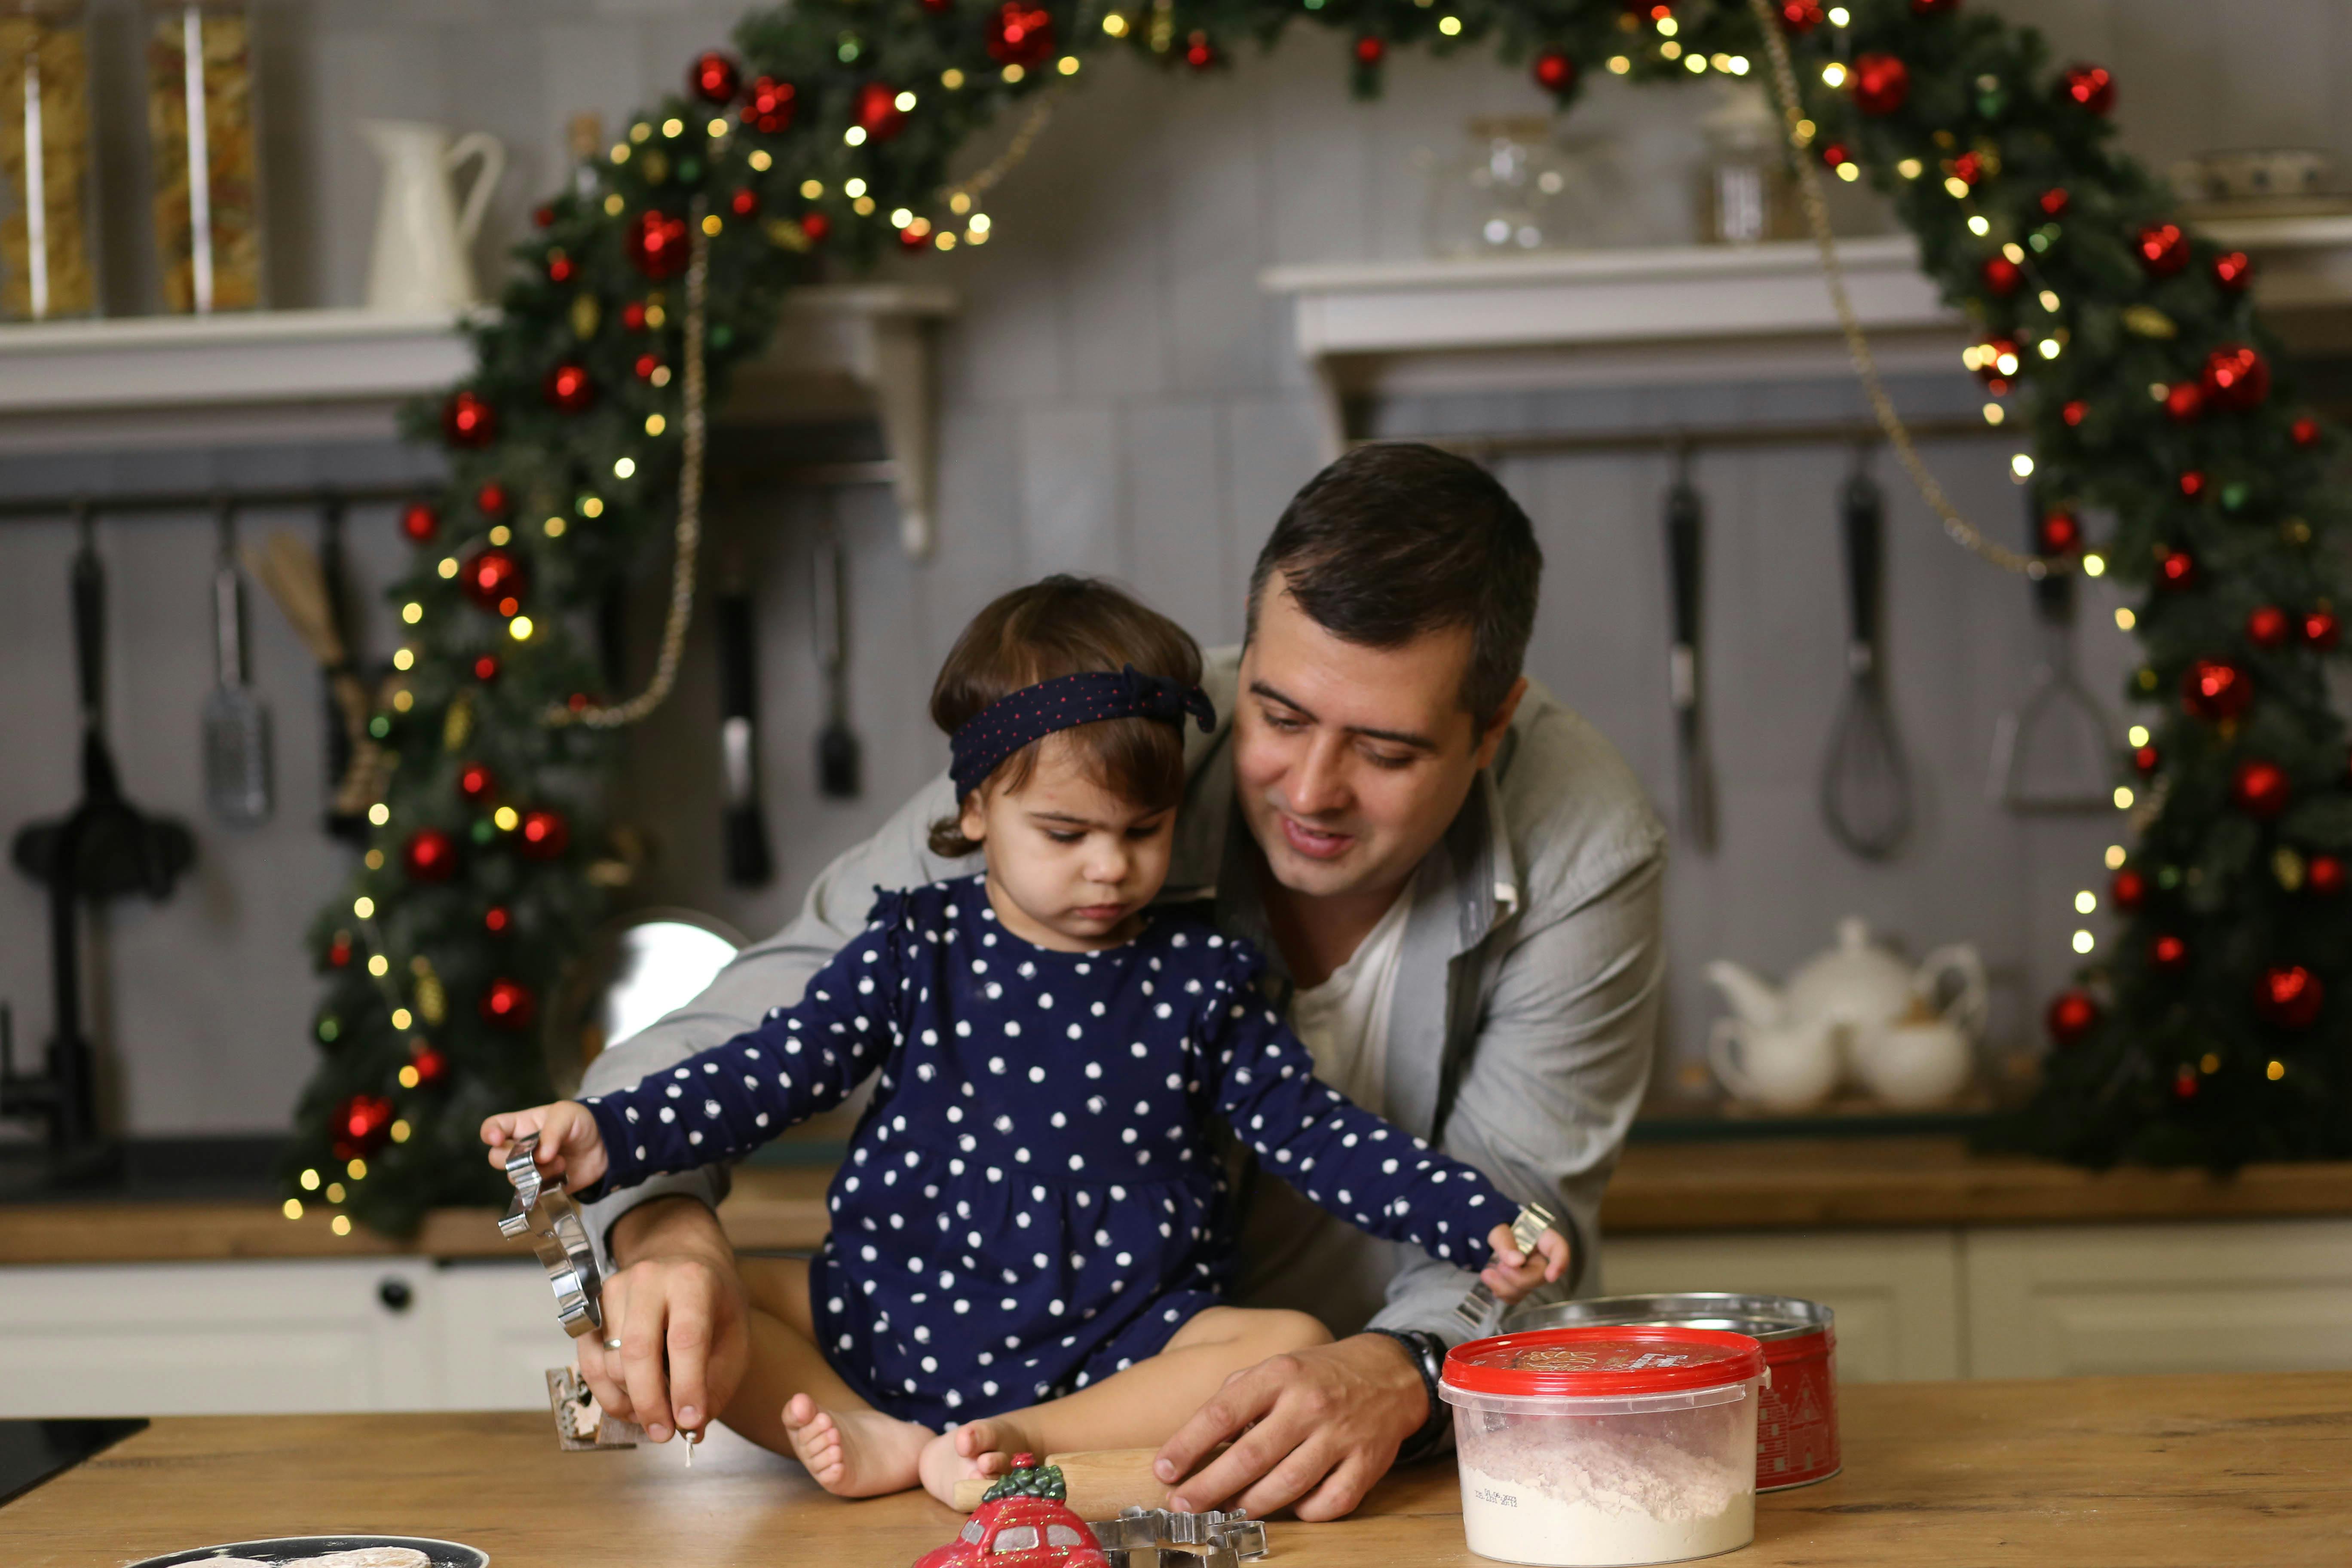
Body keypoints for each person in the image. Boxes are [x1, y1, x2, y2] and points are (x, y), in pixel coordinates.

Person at [576, 441, 1665, 1520]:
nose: (1314, 790)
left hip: (1248, 1437)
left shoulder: (1587, 840)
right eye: (1279, 717)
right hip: (915, 1398)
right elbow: (731, 1048)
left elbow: (1517, 1208)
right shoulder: (1097, 737)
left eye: (1386, 752)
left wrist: (1399, 1371)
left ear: (1491, 729)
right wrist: (664, 1236)